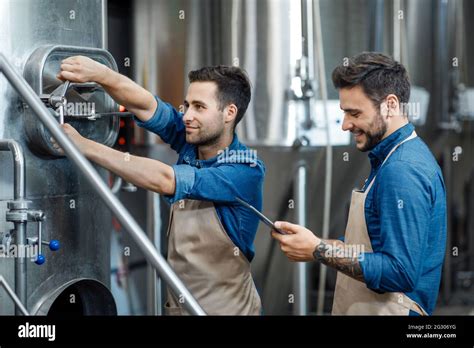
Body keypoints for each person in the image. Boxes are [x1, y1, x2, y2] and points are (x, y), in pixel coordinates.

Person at [54, 57, 264, 315]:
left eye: (199, 107)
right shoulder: (192, 142)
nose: (187, 116)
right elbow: (146, 105)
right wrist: (101, 74)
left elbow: (166, 179)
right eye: (186, 105)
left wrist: (84, 146)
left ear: (229, 113)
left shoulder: (245, 169)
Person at [272, 52, 447, 316]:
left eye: (354, 113)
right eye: (344, 113)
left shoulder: (402, 170)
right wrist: (315, 244)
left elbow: (400, 272)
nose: (345, 125)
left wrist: (319, 250)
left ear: (390, 104)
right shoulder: (389, 158)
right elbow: (371, 245)